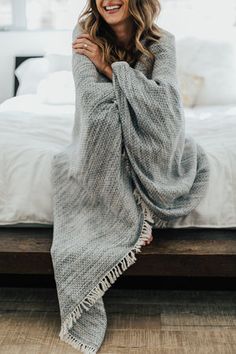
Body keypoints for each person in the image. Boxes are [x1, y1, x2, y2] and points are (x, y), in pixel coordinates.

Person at [72, 0, 164, 247]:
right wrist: (139, 97)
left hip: (149, 129)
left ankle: (138, 209)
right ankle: (125, 213)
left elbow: (164, 104)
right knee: (105, 118)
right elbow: (89, 98)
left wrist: (106, 66)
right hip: (98, 125)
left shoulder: (162, 41)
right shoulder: (85, 33)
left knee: (151, 123)